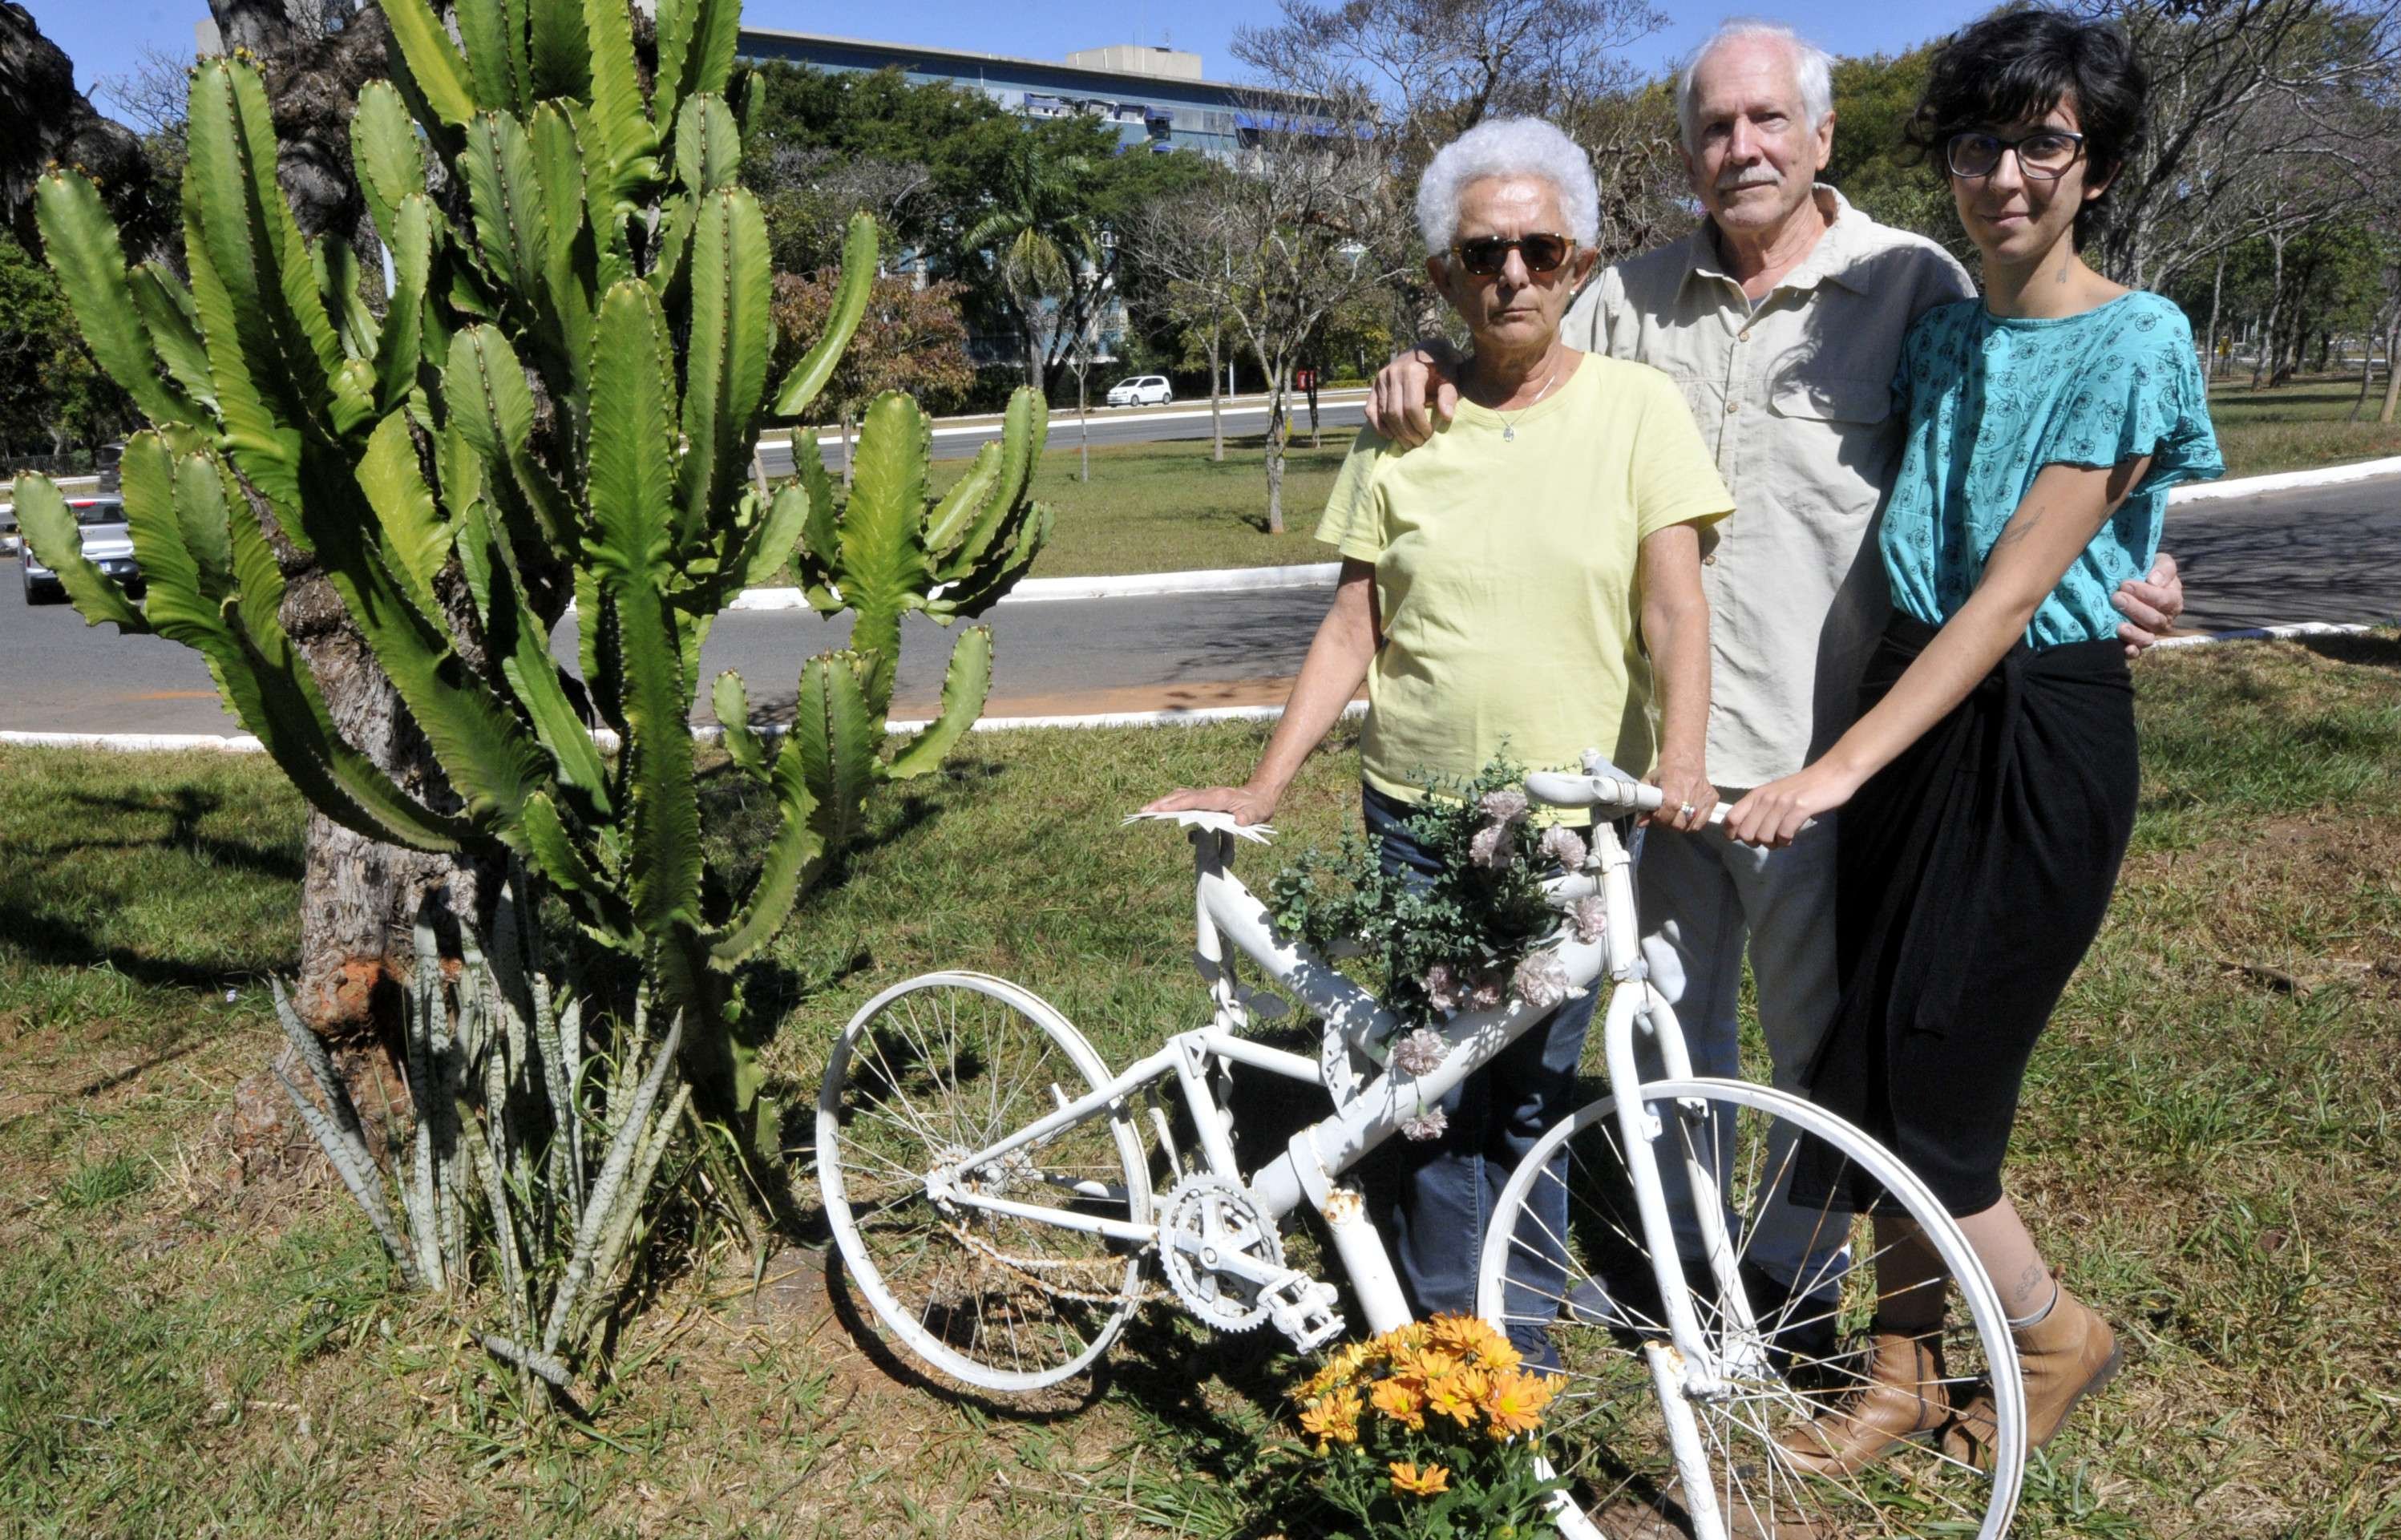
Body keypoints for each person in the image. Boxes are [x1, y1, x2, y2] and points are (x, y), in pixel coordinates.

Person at [1364, 21, 2188, 1356]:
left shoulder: (1914, 285)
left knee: (1823, 1042)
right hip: (1652, 759)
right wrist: (1422, 367)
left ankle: (1797, 1292)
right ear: (1687, 149)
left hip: (1830, 750)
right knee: (1669, 1033)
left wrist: (2133, 563)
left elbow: (2020, 458)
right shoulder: (1627, 295)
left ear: (1821, 137)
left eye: (1767, 121)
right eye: (1713, 125)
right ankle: (1693, 1271)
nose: (1740, 146)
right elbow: (1511, 350)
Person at [1723, 8, 2223, 1472]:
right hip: (1909, 699)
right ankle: (1901, 1367)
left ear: (2099, 165)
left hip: (2036, 725)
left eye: (2043, 143)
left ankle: (2054, 1333)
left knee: (1938, 1078)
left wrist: (1834, 768)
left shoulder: (2139, 337)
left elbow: (2011, 594)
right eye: (1978, 143)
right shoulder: (1940, 332)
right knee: (1872, 1054)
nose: (2005, 175)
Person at [1146, 118, 1733, 1356]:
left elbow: (1677, 606)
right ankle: (1447, 1344)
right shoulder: (1400, 424)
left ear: (1578, 264)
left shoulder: (1639, 409)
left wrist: (1680, 760)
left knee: (1531, 1094)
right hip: (1417, 820)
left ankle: (1514, 1345)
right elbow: (1352, 625)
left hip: (1568, 829)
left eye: (1538, 249)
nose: (1512, 274)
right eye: (1482, 254)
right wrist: (1265, 783)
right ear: (1444, 277)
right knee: (1433, 1091)